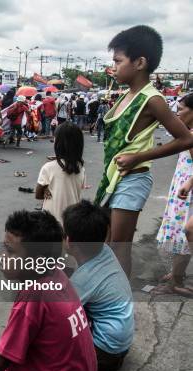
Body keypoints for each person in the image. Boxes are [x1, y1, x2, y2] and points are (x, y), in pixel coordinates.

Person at [94, 25, 193, 278]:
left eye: (117, 61)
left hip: (133, 179)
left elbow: (185, 139)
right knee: (104, 244)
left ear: (139, 62)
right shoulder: (126, 95)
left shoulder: (152, 99)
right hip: (114, 178)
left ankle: (119, 306)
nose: (113, 67)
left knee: (119, 248)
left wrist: (140, 156)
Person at [0, 210, 97, 371]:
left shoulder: (34, 295)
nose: (3, 256)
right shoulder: (57, 275)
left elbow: (2, 358)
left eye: (10, 251)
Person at [63, 200, 135, 371]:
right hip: (120, 344)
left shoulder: (83, 280)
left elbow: (57, 315)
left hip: (105, 353)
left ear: (70, 242)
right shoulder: (105, 251)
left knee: (52, 335)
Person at [155, 93, 193, 297]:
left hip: (188, 193)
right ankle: (176, 273)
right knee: (179, 231)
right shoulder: (188, 132)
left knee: (183, 234)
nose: (177, 114)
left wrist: (188, 184)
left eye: (181, 109)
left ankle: (177, 282)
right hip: (183, 189)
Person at [35, 122, 86, 226]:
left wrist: (45, 189)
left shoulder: (48, 167)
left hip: (51, 221)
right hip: (72, 220)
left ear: (58, 143)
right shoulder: (81, 168)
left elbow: (38, 195)